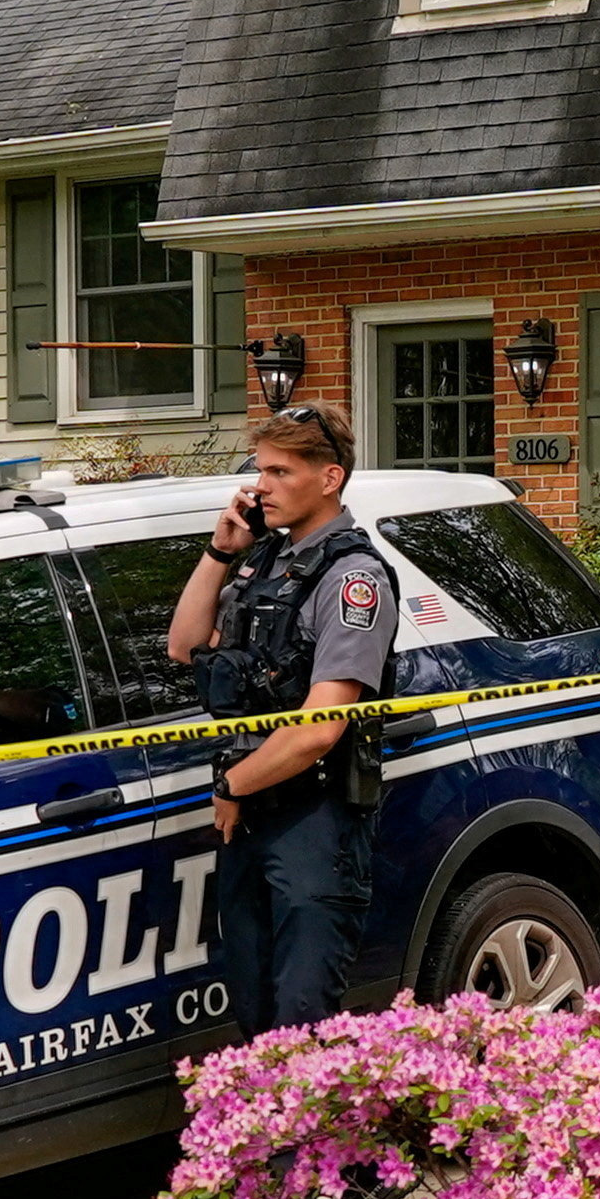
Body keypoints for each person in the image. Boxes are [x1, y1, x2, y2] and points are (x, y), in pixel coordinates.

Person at [162, 400, 400, 1031]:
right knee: (253, 1015)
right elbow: (185, 645)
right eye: (259, 471)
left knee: (300, 1025)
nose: (260, 487)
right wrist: (219, 552)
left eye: (280, 473)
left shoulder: (352, 578)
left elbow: (321, 728)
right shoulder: (266, 560)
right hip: (251, 815)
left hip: (313, 825)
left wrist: (230, 785)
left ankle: (318, 1136)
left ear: (330, 478)